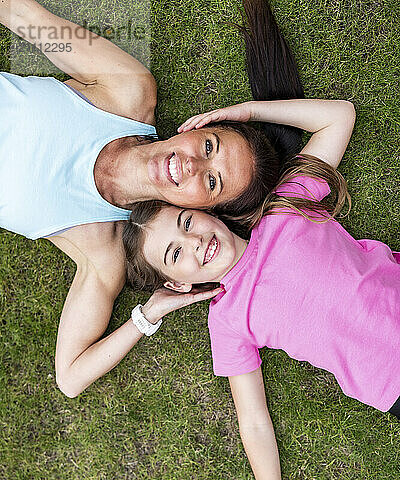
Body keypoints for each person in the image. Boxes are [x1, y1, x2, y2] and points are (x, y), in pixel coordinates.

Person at [121, 96, 400, 480]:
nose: (193, 242)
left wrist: (246, 112)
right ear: (177, 283)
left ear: (209, 209)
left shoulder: (285, 206)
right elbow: (253, 421)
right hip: (391, 381)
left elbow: (340, 117)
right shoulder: (226, 320)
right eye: (174, 254)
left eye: (186, 222)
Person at [0, 0, 304, 397]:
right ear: (199, 125)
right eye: (209, 146)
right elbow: (23, 17)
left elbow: (70, 378)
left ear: (203, 210)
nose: (193, 164)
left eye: (211, 183)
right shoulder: (129, 88)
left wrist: (149, 314)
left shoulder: (103, 252)